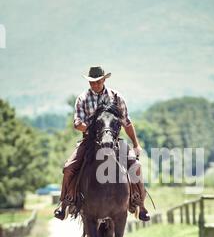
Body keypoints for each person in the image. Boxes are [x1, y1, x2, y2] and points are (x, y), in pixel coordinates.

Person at [54, 65, 150, 222]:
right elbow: (77, 123)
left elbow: (127, 122)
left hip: (114, 141)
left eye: (98, 81)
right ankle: (65, 202)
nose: (95, 84)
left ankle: (139, 204)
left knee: (135, 166)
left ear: (104, 79)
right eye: (92, 82)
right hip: (90, 141)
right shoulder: (83, 98)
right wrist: (93, 128)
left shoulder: (116, 97)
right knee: (69, 167)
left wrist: (136, 144)